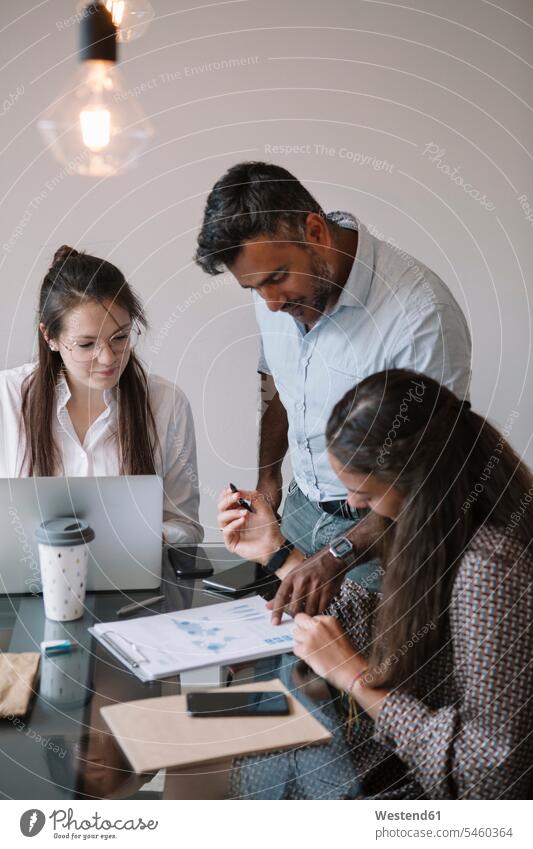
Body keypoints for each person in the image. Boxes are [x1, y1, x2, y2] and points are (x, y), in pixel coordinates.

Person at [217, 370, 532, 799]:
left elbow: (491, 776)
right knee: (243, 736)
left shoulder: (489, 569)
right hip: (398, 764)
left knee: (245, 760)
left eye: (364, 493)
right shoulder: (439, 528)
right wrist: (273, 552)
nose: (352, 505)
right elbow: (382, 628)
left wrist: (354, 677)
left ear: (416, 482)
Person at [196, 161, 472, 607]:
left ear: (316, 233)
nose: (270, 304)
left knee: (373, 669)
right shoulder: (275, 293)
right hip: (303, 505)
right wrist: (270, 481)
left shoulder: (421, 318)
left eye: (276, 279)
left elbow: (429, 475)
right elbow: (281, 385)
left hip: (387, 529)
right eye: (253, 288)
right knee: (297, 664)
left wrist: (337, 554)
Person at [0, 245, 202, 544]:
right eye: (86, 345)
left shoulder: (166, 403)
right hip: (27, 587)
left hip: (136, 585)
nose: (108, 358)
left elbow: (185, 525)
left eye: (120, 337)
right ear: (50, 337)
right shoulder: (8, 397)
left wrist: (148, 538)